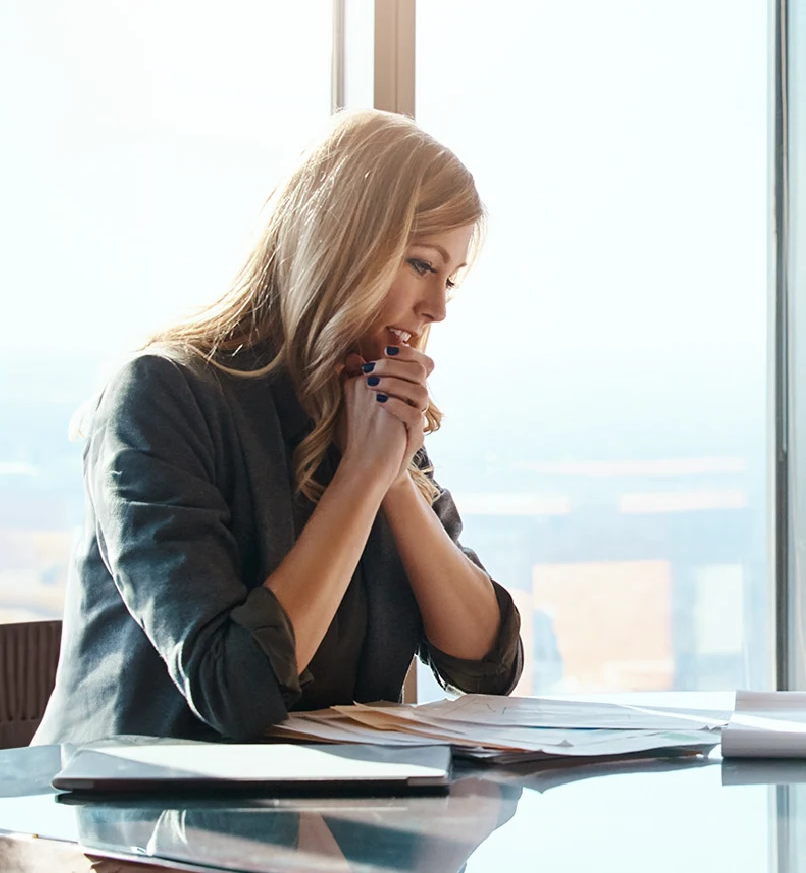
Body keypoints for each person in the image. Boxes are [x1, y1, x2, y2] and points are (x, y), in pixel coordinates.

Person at [36, 110, 523, 745]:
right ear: (345, 244)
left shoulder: (368, 405)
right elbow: (235, 691)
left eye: (451, 280)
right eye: (422, 265)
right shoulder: (161, 395)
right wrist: (361, 477)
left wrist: (395, 478)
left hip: (316, 819)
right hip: (132, 823)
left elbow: (487, 666)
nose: (436, 309)